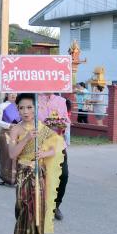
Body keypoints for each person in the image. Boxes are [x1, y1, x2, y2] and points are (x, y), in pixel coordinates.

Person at [9, 93, 64, 234]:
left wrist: (44, 154)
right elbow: (12, 154)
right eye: (22, 108)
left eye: (29, 107)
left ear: (36, 108)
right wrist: (26, 138)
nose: (26, 111)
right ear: (17, 109)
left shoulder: (42, 127)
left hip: (39, 175)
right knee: (25, 211)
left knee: (37, 211)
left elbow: (57, 147)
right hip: (23, 174)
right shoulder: (15, 129)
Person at [38, 92, 70, 220]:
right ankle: (41, 206)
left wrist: (60, 124)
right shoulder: (34, 100)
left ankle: (56, 205)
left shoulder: (61, 101)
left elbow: (66, 121)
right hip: (39, 144)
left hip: (57, 144)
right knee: (41, 177)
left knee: (63, 175)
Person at [0, 93, 20, 185]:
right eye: (11, 93)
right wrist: (9, 125)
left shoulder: (20, 106)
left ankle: (16, 177)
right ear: (7, 95)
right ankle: (4, 176)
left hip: (19, 134)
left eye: (15, 93)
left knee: (18, 156)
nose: (13, 95)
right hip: (6, 133)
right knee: (6, 155)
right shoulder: (1, 106)